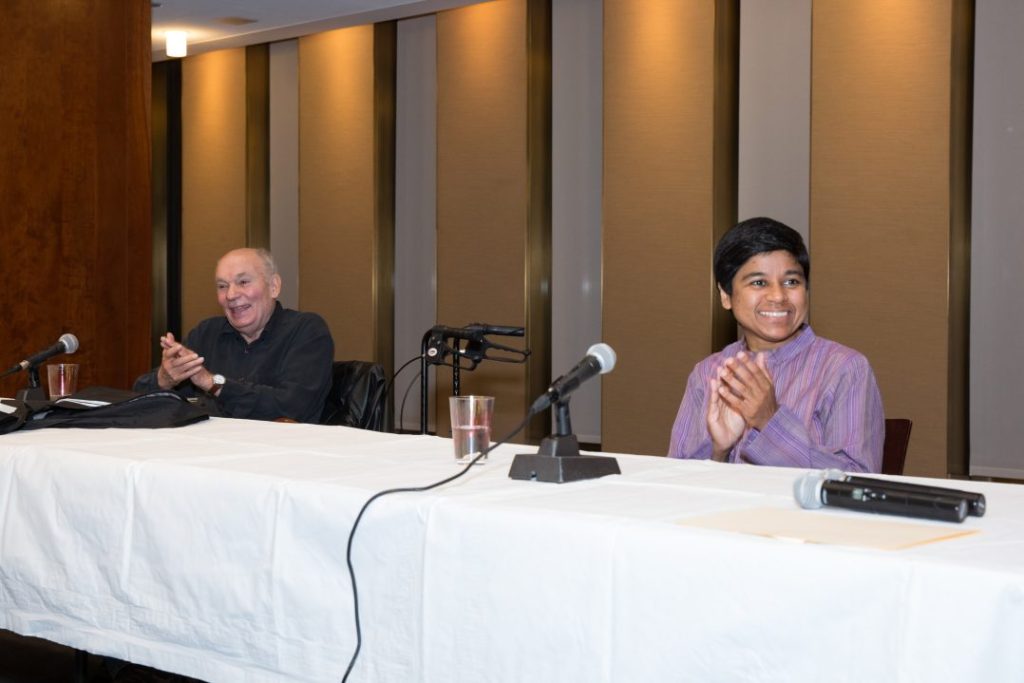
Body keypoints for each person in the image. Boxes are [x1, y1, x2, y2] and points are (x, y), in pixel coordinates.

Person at [667, 217, 884, 472]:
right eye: (759, 283)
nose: (779, 296)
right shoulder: (707, 373)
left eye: (792, 282)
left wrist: (770, 421)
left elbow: (857, 481)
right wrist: (718, 450)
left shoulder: (845, 369)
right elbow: (676, 483)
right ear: (726, 295)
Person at [134, 248, 334, 423]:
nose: (231, 295)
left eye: (243, 282)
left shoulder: (306, 330)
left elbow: (292, 407)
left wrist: (212, 383)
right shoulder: (207, 333)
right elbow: (136, 397)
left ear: (274, 286)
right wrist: (164, 379)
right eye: (222, 286)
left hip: (278, 457)